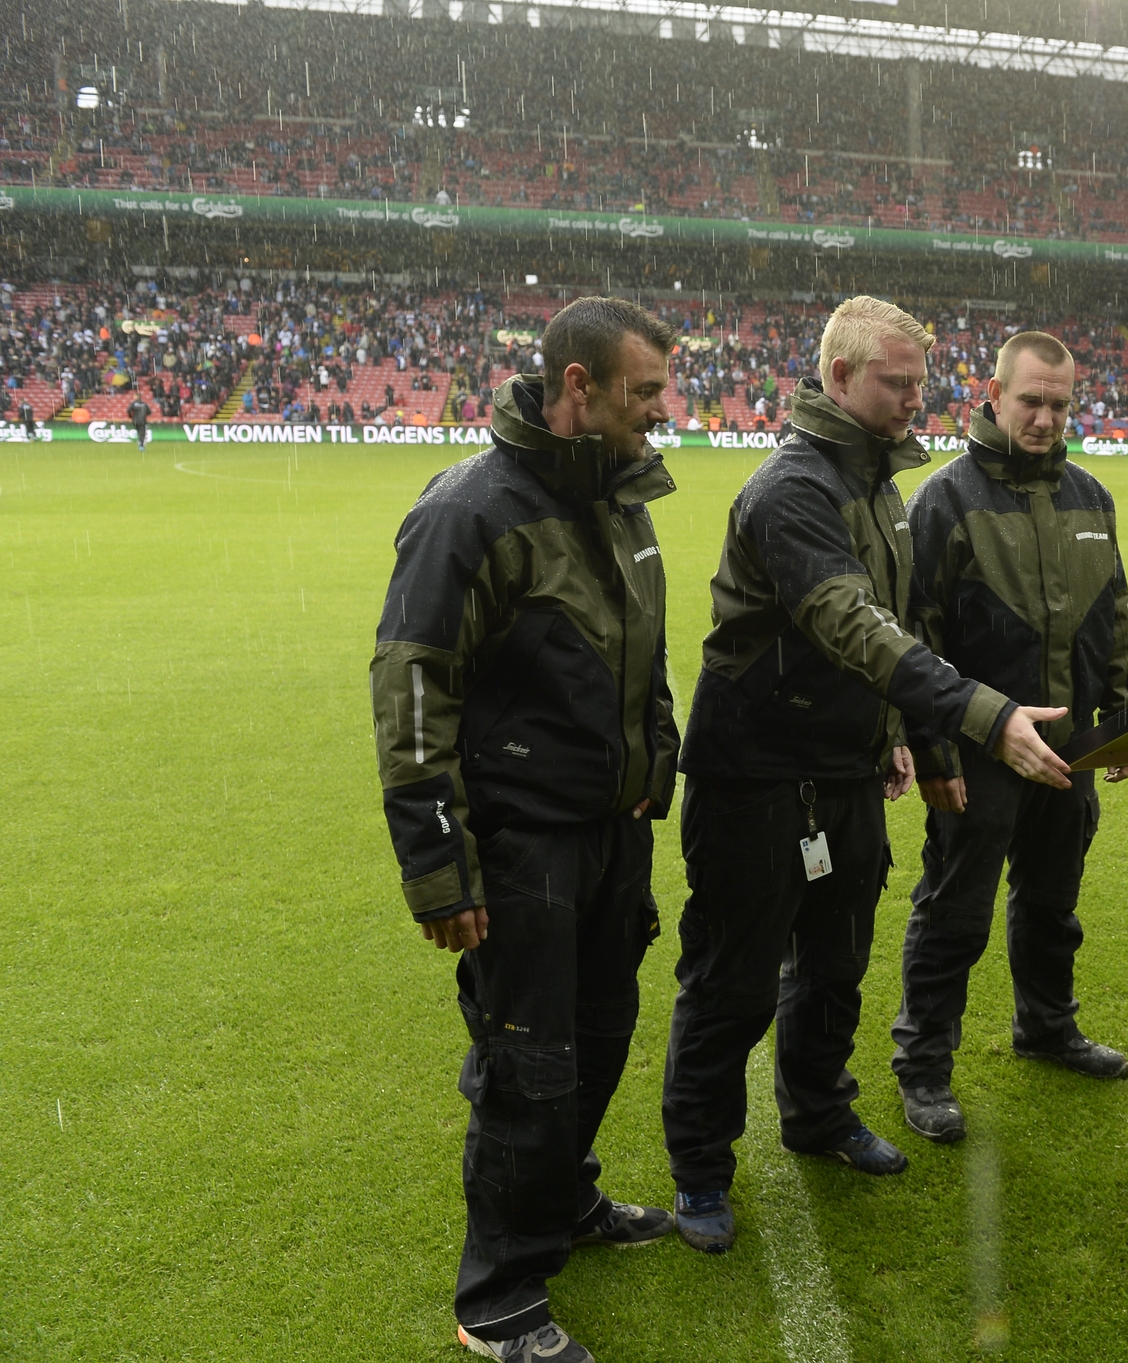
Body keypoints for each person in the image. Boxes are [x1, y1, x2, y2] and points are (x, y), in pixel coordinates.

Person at [661, 296, 1073, 1255]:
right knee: (731, 981)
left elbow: (893, 637)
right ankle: (701, 1170)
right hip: (754, 777)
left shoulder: (880, 485)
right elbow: (853, 623)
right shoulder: (792, 491)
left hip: (842, 771)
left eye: (921, 383)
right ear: (840, 379)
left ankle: (817, 1113)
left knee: (837, 963)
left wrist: (899, 734)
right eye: (897, 383)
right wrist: (984, 715)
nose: (915, 401)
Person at [370, 298, 682, 1363]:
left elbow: (646, 654)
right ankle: (498, 1294)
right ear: (578, 388)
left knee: (595, 1039)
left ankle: (561, 1204)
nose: (661, 412)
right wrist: (437, 865)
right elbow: (414, 688)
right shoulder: (470, 510)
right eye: (644, 392)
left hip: (612, 832)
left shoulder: (623, 495)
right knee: (528, 1062)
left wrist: (658, 759)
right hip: (521, 844)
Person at [891, 331, 1128, 1144]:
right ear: (992, 394)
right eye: (1031, 400)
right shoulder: (944, 499)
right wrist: (935, 753)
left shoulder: (1091, 497)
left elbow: (1113, 611)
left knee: (1053, 901)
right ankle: (924, 1064)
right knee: (953, 911)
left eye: (1060, 403)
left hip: (1068, 744)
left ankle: (1047, 1025)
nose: (1045, 417)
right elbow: (914, 637)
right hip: (979, 751)